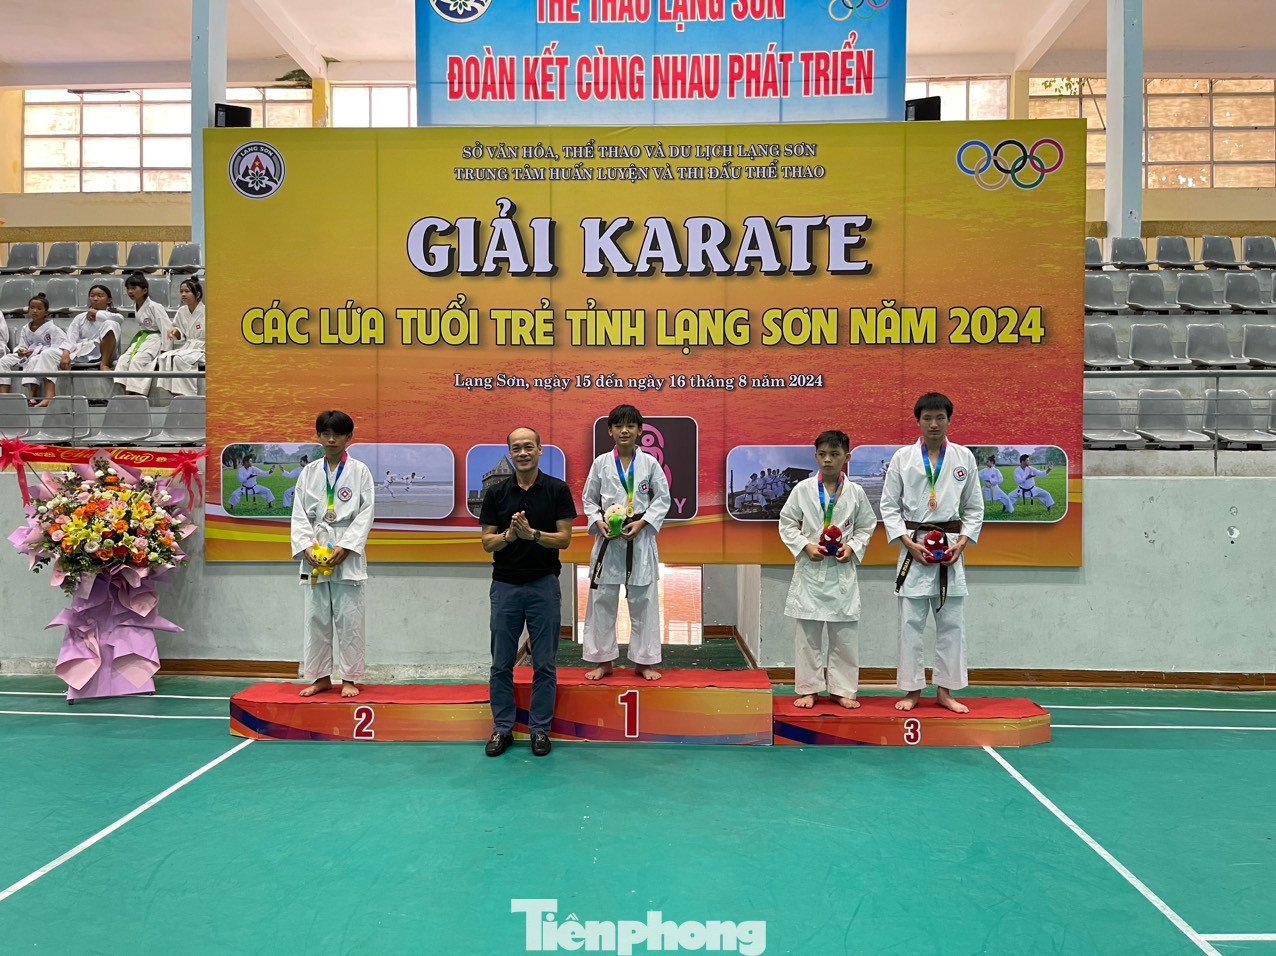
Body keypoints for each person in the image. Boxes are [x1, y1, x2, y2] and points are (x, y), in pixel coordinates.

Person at [880, 392, 984, 714]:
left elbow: (974, 508)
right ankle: (912, 690)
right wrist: (908, 543)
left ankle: (945, 691)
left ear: (949, 420)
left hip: (950, 548)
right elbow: (889, 506)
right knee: (910, 623)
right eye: (927, 418)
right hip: (914, 546)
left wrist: (962, 543)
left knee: (952, 623)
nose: (934, 424)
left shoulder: (964, 457)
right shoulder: (903, 458)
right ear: (918, 421)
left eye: (940, 417)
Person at [479, 427, 577, 757]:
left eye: (529, 447)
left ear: (539, 450)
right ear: (510, 453)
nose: (523, 453)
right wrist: (509, 536)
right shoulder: (496, 493)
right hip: (505, 587)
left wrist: (532, 534)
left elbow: (564, 539)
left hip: (543, 586)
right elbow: (487, 542)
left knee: (544, 664)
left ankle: (539, 730)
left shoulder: (557, 490)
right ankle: (502, 729)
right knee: (501, 664)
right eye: (516, 448)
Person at [778, 430, 878, 709]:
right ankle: (809, 689)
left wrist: (853, 548)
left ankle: (841, 689)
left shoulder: (856, 493)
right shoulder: (803, 489)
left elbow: (866, 525)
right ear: (816, 457)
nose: (828, 460)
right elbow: (787, 523)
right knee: (807, 636)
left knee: (844, 636)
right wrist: (805, 546)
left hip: (841, 572)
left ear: (847, 457)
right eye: (822, 454)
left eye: (834, 454)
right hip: (811, 570)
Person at [581, 403, 671, 681]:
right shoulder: (600, 463)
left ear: (640, 431)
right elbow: (588, 499)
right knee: (602, 600)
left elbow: (662, 498)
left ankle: (644, 662)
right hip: (608, 538)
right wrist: (598, 522)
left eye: (630, 426)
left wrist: (643, 523)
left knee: (644, 600)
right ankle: (603, 661)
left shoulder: (650, 463)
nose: (624, 431)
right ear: (610, 431)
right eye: (618, 426)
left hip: (639, 538)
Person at [289, 410, 375, 698]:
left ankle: (350, 678)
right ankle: (320, 677)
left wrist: (348, 545)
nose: (331, 440)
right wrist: (305, 546)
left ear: (349, 437)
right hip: (316, 544)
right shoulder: (309, 472)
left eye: (337, 434)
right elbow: (299, 513)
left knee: (350, 617)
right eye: (325, 434)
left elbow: (366, 512)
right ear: (318, 436)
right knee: (316, 617)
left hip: (346, 546)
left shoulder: (360, 471)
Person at [0, 294, 66, 406]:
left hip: (43, 355)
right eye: (32, 308)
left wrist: (38, 351)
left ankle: (32, 395)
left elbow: (59, 347)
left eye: (39, 308)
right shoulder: (25, 328)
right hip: (27, 354)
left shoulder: (53, 328)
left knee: (34, 359)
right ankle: (4, 395)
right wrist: (21, 351)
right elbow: (22, 345)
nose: (35, 311)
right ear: (28, 310)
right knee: (3, 361)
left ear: (46, 313)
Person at [113, 271, 170, 396]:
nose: (130, 292)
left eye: (134, 288)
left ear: (144, 290)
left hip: (155, 339)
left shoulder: (155, 306)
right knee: (123, 360)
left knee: (136, 362)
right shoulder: (135, 305)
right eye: (128, 289)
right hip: (143, 339)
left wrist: (165, 351)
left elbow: (167, 329)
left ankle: (138, 395)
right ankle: (127, 394)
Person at [155, 278, 205, 396]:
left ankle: (189, 395)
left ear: (197, 294)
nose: (183, 294)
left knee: (178, 359)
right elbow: (180, 332)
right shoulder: (182, 311)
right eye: (181, 291)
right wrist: (175, 331)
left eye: (187, 291)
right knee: (164, 358)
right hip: (188, 347)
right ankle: (176, 395)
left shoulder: (207, 311)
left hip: (203, 349)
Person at [58, 283, 121, 375]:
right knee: (48, 354)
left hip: (102, 351)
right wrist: (66, 354)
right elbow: (71, 338)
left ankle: (104, 364)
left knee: (111, 323)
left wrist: (95, 312)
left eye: (100, 296)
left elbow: (119, 319)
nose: (95, 299)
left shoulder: (115, 316)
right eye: (92, 296)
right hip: (81, 351)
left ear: (109, 300)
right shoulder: (80, 317)